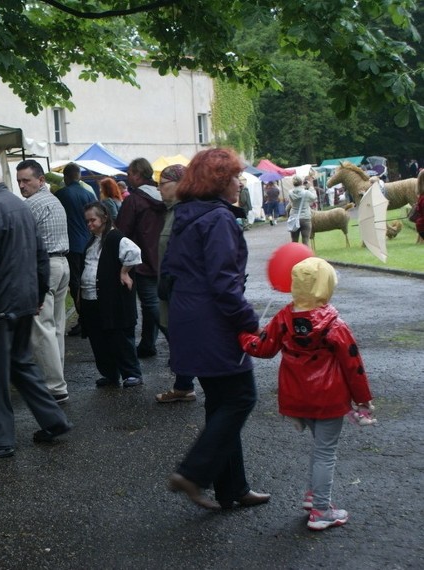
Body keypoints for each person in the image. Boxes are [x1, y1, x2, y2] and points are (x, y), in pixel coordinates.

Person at [161, 147, 268, 510]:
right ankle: (193, 472)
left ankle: (232, 487)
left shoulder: (189, 214)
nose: (239, 183)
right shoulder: (218, 219)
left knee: (222, 402)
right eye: (235, 177)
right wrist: (249, 321)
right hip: (212, 323)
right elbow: (223, 283)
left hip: (191, 319)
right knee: (241, 397)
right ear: (220, 182)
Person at [239, 257, 374, 530]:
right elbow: (353, 365)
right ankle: (321, 510)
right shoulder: (335, 324)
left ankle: (315, 497)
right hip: (329, 399)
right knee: (326, 452)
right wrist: (363, 399)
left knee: (320, 447)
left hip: (296, 397)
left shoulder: (283, 318)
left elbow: (263, 349)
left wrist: (242, 336)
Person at [0, 150, 71, 459]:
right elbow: (39, 253)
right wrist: (37, 296)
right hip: (22, 302)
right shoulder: (19, 206)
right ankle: (54, 420)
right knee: (22, 366)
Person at [16, 159, 71, 404]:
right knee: (56, 327)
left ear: (40, 180)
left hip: (46, 266)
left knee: (43, 328)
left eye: (26, 180)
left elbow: (21, 241)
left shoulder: (31, 204)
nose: (21, 185)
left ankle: (55, 385)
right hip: (61, 264)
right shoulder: (55, 200)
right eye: (19, 181)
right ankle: (57, 378)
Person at [79, 202, 144, 388]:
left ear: (104, 218)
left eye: (93, 220)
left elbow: (134, 252)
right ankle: (110, 374)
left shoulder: (115, 237)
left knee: (119, 337)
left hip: (113, 299)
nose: (89, 224)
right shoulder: (93, 240)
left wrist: (124, 272)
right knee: (99, 339)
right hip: (92, 298)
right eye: (87, 221)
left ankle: (131, 373)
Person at [154, 164, 197, 404]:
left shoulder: (184, 212)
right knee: (172, 332)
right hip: (169, 288)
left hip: (178, 289)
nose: (159, 188)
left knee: (181, 336)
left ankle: (186, 383)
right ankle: (183, 383)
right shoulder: (171, 211)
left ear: (179, 185)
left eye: (163, 183)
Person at [115, 157, 167, 359]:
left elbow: (122, 231)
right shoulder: (163, 196)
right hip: (163, 257)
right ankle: (147, 344)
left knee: (151, 304)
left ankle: (177, 343)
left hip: (143, 259)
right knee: (155, 303)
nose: (128, 178)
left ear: (137, 174)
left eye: (129, 174)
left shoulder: (134, 200)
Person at [55, 163, 92, 337]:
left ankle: (84, 320)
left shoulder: (61, 194)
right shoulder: (89, 193)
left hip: (70, 244)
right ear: (79, 176)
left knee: (75, 283)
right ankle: (89, 318)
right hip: (88, 242)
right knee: (88, 282)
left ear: (66, 177)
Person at [287, 176, 318, 245]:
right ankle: (305, 255)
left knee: (294, 241)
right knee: (305, 240)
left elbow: (291, 203)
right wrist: (310, 187)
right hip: (305, 217)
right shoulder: (306, 193)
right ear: (301, 183)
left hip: (294, 217)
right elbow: (314, 198)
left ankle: (295, 255)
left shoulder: (290, 193)